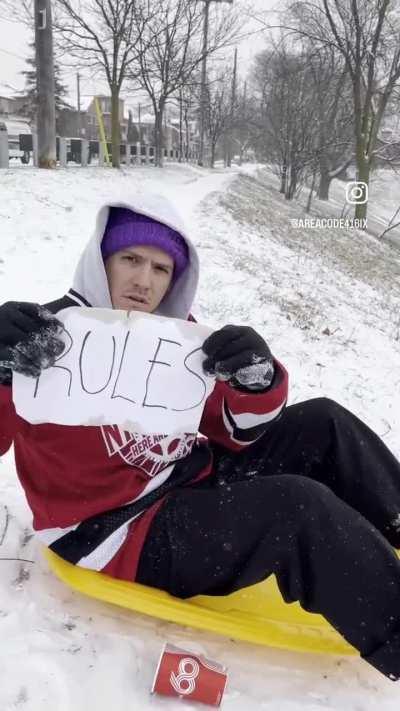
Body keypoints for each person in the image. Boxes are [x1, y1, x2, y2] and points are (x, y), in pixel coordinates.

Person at [1, 193, 400, 682]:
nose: (143, 280)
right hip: (117, 532)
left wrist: (257, 381)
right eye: (129, 259)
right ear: (99, 259)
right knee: (296, 507)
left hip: (188, 478)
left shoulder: (173, 336)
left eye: (160, 268)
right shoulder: (40, 340)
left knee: (324, 420)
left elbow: (234, 433)